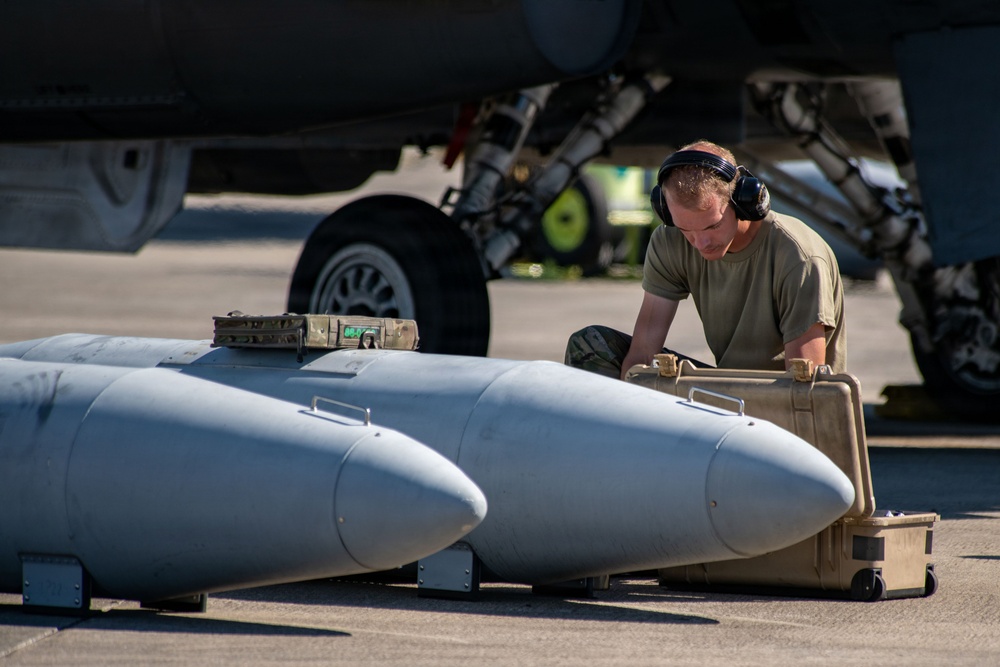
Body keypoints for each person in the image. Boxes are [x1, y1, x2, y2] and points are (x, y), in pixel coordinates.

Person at [565, 140, 846, 379]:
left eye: (712, 226)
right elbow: (641, 355)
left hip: (782, 405)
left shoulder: (798, 256)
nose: (700, 243)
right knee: (591, 347)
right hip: (728, 394)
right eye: (686, 229)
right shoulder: (670, 239)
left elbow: (805, 383)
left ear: (743, 202)